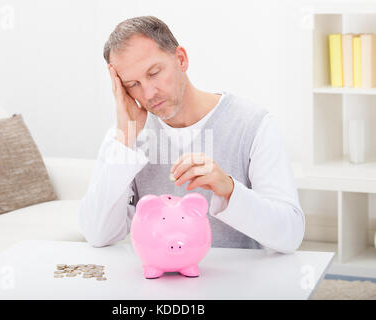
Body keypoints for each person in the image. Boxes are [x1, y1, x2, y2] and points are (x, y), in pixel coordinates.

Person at [79, 16, 305, 253]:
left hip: (236, 283)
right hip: (157, 281)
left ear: (181, 59)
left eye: (154, 73)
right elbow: (97, 234)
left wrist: (228, 189)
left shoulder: (254, 125)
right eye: (132, 84)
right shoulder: (128, 136)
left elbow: (289, 236)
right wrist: (125, 140)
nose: (148, 92)